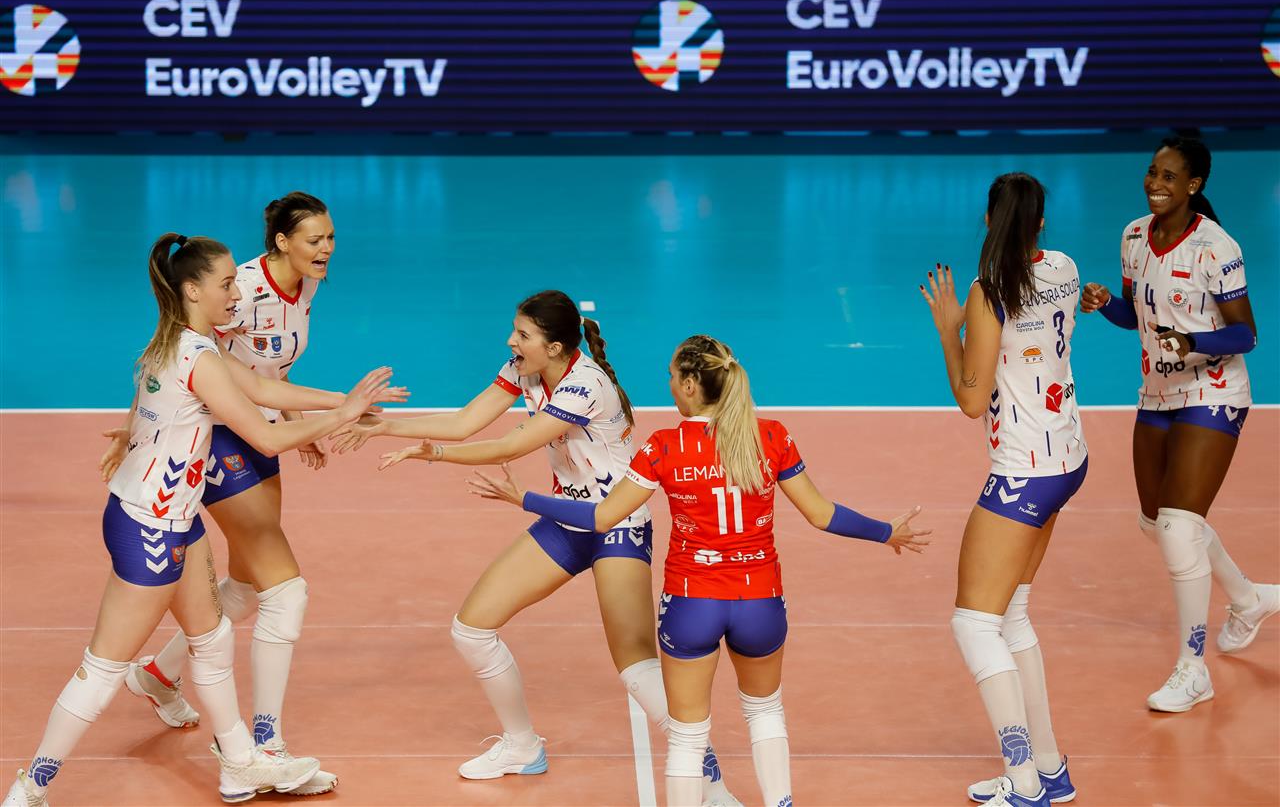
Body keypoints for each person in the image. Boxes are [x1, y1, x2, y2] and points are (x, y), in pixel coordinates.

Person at [3, 234, 400, 807]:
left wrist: (343, 400)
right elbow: (264, 435)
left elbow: (258, 386)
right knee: (103, 669)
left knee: (211, 640)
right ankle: (29, 788)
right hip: (151, 528)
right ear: (193, 290)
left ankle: (239, 764)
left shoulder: (175, 342)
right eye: (226, 284)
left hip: (171, 518)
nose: (237, 294)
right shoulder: (202, 359)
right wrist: (343, 415)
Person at [465, 333, 929, 807]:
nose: (668, 383)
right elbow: (822, 514)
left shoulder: (664, 447)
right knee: (766, 713)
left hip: (693, 603)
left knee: (687, 738)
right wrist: (885, 532)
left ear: (690, 384)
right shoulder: (772, 437)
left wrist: (524, 499)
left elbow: (602, 517)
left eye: (671, 375)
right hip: (761, 602)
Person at [334, 291, 739, 804]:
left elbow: (510, 445)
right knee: (471, 628)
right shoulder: (524, 368)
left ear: (554, 347)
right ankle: (522, 746)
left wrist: (432, 454)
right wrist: (386, 427)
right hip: (568, 520)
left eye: (522, 334)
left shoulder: (585, 386)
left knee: (636, 666)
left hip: (616, 523)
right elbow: (466, 421)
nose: (511, 341)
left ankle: (712, 785)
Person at [118, 192, 344, 794]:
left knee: (246, 583)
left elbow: (271, 367)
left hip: (259, 430)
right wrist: (140, 420)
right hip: (218, 436)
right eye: (315, 239)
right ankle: (263, 745)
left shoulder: (306, 283)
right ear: (282, 243)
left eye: (329, 238)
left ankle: (158, 674)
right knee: (286, 591)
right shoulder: (239, 290)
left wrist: (295, 424)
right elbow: (182, 346)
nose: (326, 248)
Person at [1081, 136, 1276, 711]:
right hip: (1157, 392)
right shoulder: (1133, 236)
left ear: (1194, 185)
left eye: (1169, 177)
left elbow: (1246, 333)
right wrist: (1106, 304)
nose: (1155, 184)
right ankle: (1249, 600)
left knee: (1178, 526)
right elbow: (1138, 314)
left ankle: (1193, 669)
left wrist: (1192, 341)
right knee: (1155, 523)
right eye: (1152, 172)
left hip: (1213, 390)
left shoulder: (1217, 247)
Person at [920, 173, 1086, 807]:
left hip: (1024, 471)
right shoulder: (1065, 269)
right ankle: (1049, 767)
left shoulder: (990, 292)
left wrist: (949, 330)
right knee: (1011, 614)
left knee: (973, 623)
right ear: (1040, 222)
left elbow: (971, 399)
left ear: (988, 219)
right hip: (1068, 458)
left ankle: (1023, 783)